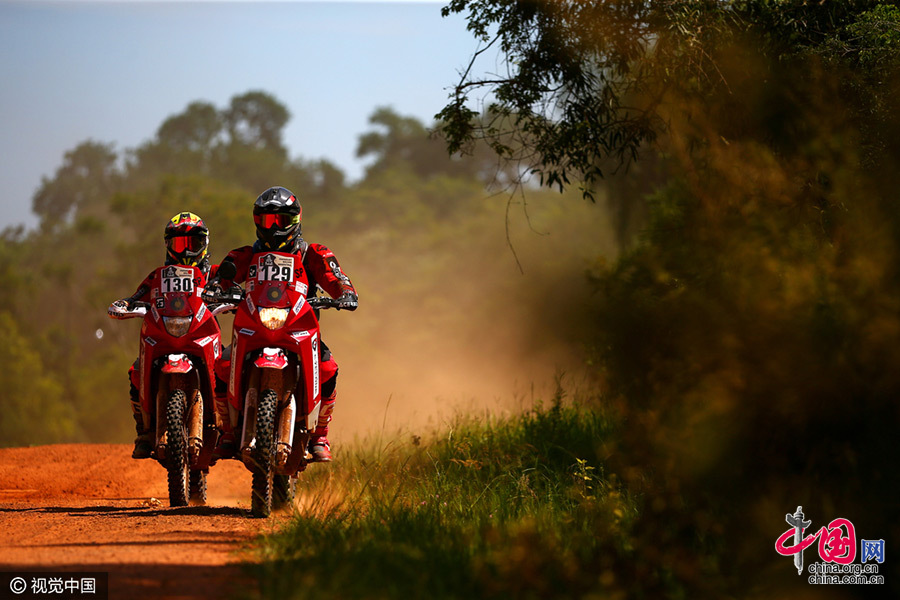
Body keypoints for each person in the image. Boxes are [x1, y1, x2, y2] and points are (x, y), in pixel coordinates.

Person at [207, 186, 358, 462]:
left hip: (299, 327)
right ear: (257, 222)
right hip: (254, 325)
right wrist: (216, 287)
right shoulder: (245, 254)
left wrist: (345, 293)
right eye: (268, 221)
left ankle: (320, 434)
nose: (274, 228)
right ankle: (227, 431)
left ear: (296, 221)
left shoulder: (312, 253)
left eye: (282, 221)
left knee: (328, 368)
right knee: (222, 365)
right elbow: (222, 276)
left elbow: (335, 277)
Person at [108, 212, 215, 459]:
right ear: (168, 245)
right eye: (180, 244)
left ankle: (229, 428)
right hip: (166, 335)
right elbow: (139, 295)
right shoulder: (158, 276)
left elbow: (233, 289)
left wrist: (235, 296)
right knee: (136, 372)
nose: (186, 250)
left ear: (204, 244)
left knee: (225, 368)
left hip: (203, 335)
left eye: (193, 243)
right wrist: (126, 303)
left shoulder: (213, 274)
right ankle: (144, 432)